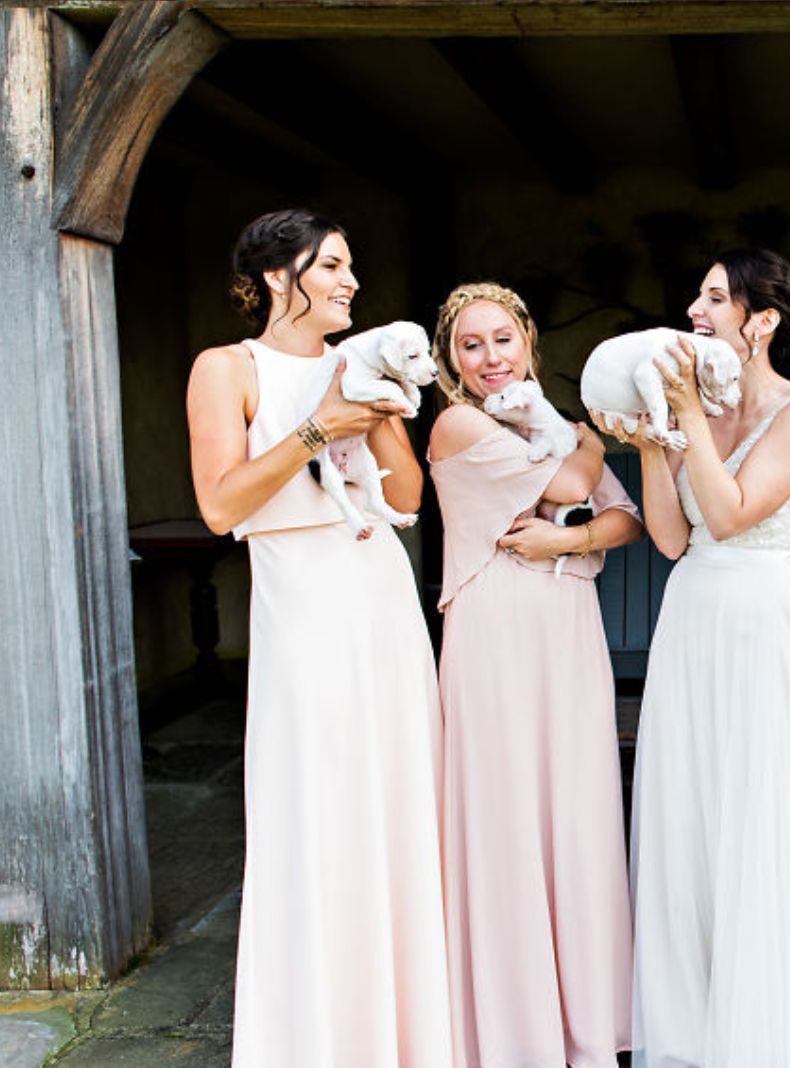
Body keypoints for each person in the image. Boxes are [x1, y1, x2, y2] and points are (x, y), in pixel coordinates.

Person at [186, 208, 451, 1066]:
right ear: (275, 277)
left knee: (395, 807)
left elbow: (407, 501)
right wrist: (315, 427)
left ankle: (402, 1036)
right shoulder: (227, 369)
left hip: (378, 591)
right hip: (301, 602)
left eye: (350, 267)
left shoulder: (358, 366)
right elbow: (222, 505)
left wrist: (372, 414)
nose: (351, 282)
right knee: (314, 807)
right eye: (332, 266)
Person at [605, 249, 790, 1068]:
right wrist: (651, 439)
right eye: (698, 294)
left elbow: (735, 512)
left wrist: (688, 421)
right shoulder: (691, 403)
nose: (697, 309)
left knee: (756, 819)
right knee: (686, 819)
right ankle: (684, 1032)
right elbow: (674, 539)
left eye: (716, 297)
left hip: (759, 622)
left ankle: (760, 1036)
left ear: (764, 320)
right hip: (692, 620)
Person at [429, 282, 642, 1068]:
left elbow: (625, 521)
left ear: (527, 342)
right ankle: (513, 1026)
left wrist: (564, 543)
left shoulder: (551, 424)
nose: (490, 358)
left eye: (501, 340)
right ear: (452, 360)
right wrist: (585, 448)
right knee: (507, 811)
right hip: (496, 633)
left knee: (575, 808)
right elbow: (577, 488)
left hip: (565, 631)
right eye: (470, 345)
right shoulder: (458, 424)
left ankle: (585, 1017)